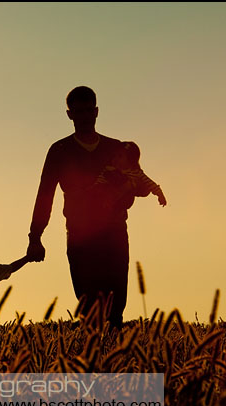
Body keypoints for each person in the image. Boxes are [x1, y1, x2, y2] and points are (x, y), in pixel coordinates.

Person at [27, 86, 158, 328]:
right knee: (88, 304)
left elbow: (138, 182)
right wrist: (35, 236)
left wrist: (135, 189)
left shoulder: (116, 148)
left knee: (115, 303)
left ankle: (114, 357)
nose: (85, 117)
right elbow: (45, 194)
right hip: (80, 233)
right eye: (79, 112)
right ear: (69, 115)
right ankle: (92, 357)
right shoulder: (60, 150)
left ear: (97, 112)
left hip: (114, 231)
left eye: (89, 111)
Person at [93, 140, 167, 210]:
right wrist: (96, 188)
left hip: (120, 201)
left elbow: (150, 184)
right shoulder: (109, 170)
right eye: (114, 156)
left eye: (120, 156)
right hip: (103, 196)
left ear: (130, 159)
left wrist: (160, 195)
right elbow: (100, 181)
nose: (115, 159)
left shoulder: (137, 173)